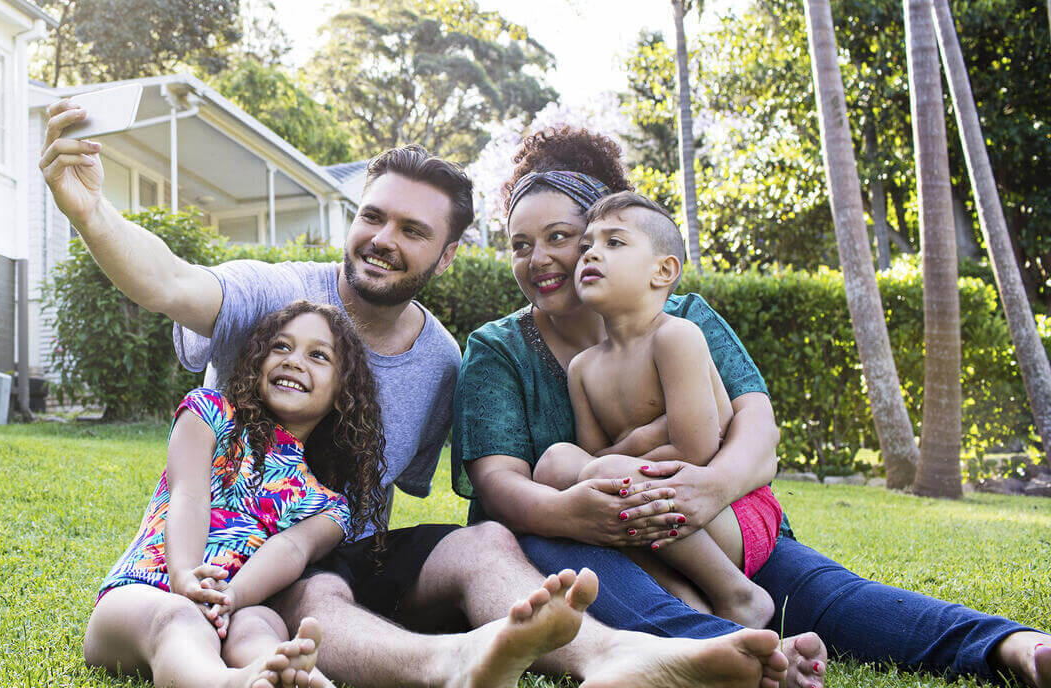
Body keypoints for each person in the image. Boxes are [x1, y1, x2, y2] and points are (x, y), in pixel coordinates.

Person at [44, 98, 803, 688]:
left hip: (337, 539)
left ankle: (611, 657)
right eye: (372, 216)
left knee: (485, 542)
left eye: (412, 230)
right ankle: (454, 665)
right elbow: (168, 280)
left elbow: (371, 514)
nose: (382, 238)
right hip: (259, 574)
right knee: (315, 596)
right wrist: (89, 211)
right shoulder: (275, 296)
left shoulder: (443, 359)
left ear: (444, 257)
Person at [453, 123, 1051, 688]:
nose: (542, 260)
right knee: (566, 559)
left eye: (563, 237)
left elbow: (757, 427)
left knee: (822, 591)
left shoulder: (684, 320)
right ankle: (738, 651)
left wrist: (709, 487)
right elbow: (501, 485)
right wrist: (577, 512)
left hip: (715, 518)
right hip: (576, 539)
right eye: (520, 245)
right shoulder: (498, 349)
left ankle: (1013, 647)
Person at [85, 301, 384, 688]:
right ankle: (227, 683)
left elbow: (290, 552)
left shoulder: (328, 505)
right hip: (144, 592)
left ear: (344, 391)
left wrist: (232, 597)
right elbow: (188, 495)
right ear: (258, 360)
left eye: (318, 355)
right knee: (179, 617)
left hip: (235, 606)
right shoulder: (209, 414)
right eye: (281, 346)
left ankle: (276, 673)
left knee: (262, 627)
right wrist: (185, 577)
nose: (293, 361)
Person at [531, 191, 778, 628]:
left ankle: (737, 594)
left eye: (614, 243)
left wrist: (620, 459)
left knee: (600, 478)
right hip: (659, 516)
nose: (590, 254)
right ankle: (694, 608)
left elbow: (696, 449)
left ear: (663, 271)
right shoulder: (584, 368)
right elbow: (592, 459)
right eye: (586, 245)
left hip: (728, 512)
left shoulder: (676, 336)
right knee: (555, 464)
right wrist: (613, 465)